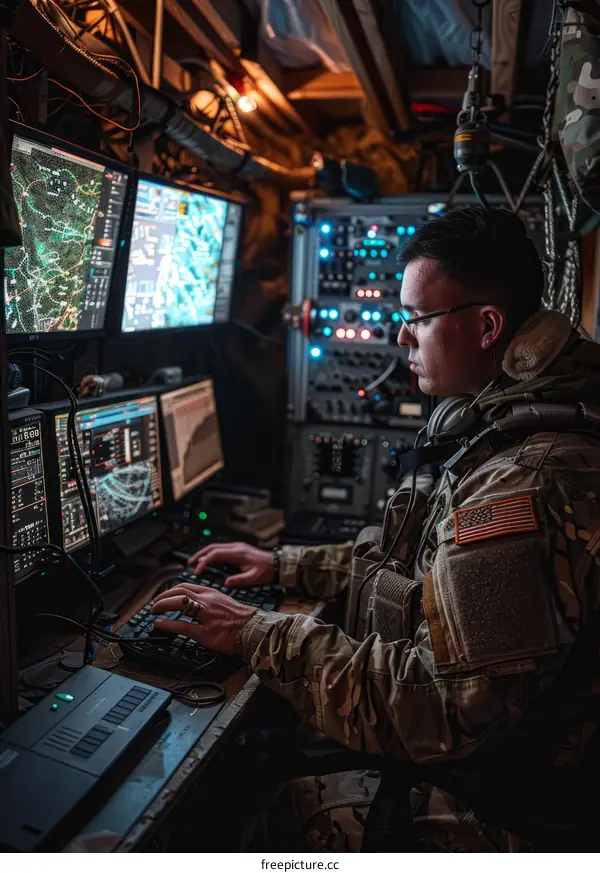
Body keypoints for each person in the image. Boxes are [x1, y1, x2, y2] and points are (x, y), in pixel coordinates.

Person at [151, 207, 600, 851]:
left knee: (269, 811)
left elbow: (436, 711)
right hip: (513, 766)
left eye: (416, 318)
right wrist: (284, 567)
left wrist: (252, 630)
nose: (401, 340)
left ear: (487, 326)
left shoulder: (525, 478)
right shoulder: (517, 420)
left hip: (510, 807)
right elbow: (420, 562)